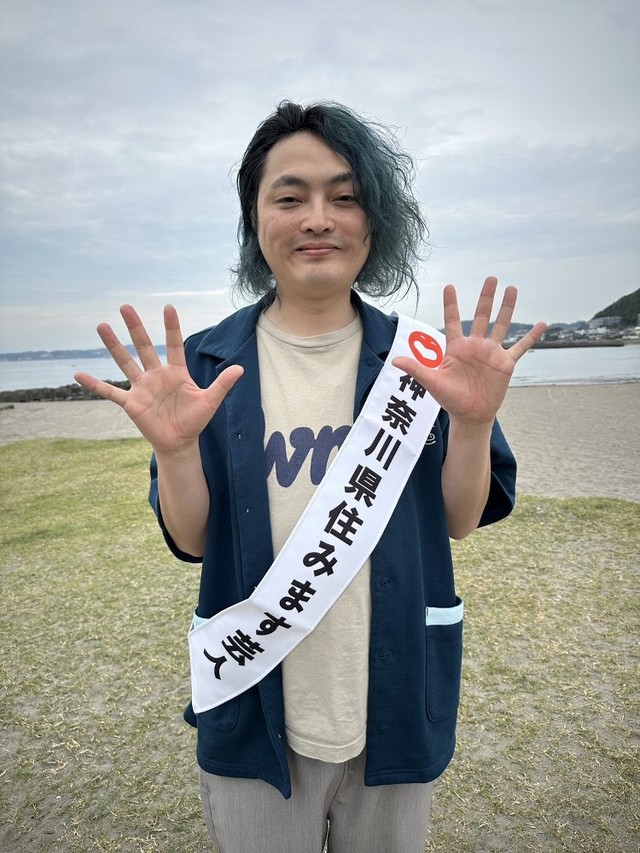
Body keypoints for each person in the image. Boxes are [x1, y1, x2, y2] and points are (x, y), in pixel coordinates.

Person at [75, 100, 546, 853]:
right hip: (253, 693)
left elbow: (461, 519)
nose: (318, 219)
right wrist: (175, 450)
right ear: (255, 220)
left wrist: (474, 422)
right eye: (289, 197)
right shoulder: (206, 365)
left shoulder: (425, 361)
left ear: (375, 220)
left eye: (345, 196)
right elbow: (191, 540)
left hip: (394, 696)